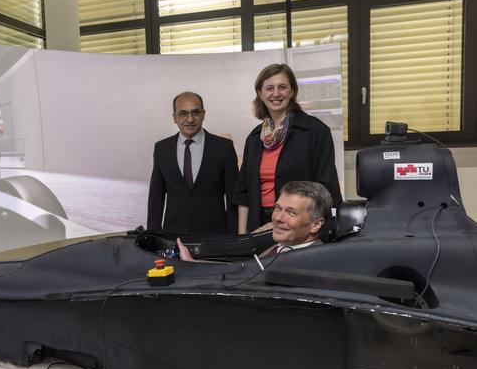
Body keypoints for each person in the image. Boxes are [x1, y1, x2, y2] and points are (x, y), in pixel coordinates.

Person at [233, 63, 342, 234]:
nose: (276, 93)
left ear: (292, 91)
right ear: (260, 94)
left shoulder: (315, 131)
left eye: (282, 87)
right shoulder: (254, 138)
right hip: (258, 224)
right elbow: (243, 192)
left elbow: (326, 188)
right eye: (269, 88)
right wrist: (241, 238)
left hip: (299, 225)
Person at [147, 91, 239, 234]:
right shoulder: (161, 149)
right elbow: (156, 199)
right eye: (183, 113)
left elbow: (233, 198)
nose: (190, 119)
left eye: (195, 112)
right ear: (174, 118)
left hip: (214, 237)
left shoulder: (224, 147)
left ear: (203, 114)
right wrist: (152, 238)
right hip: (173, 236)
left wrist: (234, 238)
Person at [178, 180, 332, 261]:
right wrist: (193, 263)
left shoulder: (313, 263)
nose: (278, 218)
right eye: (278, 208)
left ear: (316, 224)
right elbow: (243, 270)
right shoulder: (280, 246)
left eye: (291, 212)